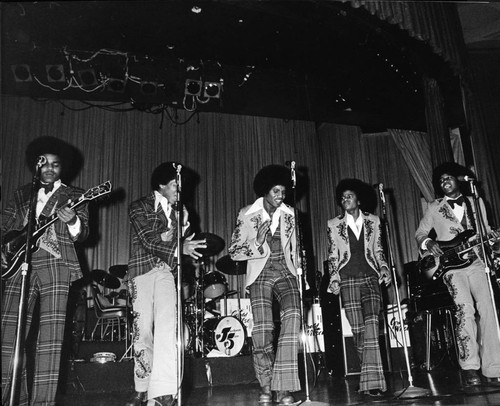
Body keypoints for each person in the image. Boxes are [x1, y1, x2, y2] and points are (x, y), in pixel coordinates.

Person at [1, 136, 89, 406]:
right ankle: (11, 398)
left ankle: (42, 403)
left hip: (56, 263)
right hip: (19, 265)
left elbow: (83, 233)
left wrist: (73, 219)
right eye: (44, 163)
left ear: (63, 168)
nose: (49, 168)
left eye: (56, 164)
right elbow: (5, 228)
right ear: (35, 166)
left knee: (50, 339)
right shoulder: (20, 194)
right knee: (7, 335)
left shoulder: (75, 195)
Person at [125, 162, 207, 406]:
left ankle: (162, 392)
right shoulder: (139, 206)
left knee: (168, 329)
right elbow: (150, 241)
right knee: (143, 333)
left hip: (166, 272)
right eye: (175, 185)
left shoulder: (181, 212)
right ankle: (142, 387)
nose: (179, 190)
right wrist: (178, 245)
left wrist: (182, 236)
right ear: (161, 185)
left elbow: (177, 245)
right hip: (141, 271)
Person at [415, 162, 500, 386]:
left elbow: (486, 230)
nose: (445, 182)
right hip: (451, 268)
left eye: (448, 178)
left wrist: (494, 240)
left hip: (477, 262)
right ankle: (470, 366)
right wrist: (428, 241)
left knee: (489, 310)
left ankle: (493, 367)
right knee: (465, 310)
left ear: (459, 179)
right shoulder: (434, 207)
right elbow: (420, 233)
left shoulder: (475, 201)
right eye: (441, 180)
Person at [228, 164, 301, 405]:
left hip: (286, 272)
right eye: (276, 191)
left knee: (294, 314)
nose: (281, 196)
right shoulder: (247, 213)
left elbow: (296, 249)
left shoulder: (290, 214)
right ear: (264, 192)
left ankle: (284, 386)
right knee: (264, 329)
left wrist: (302, 270)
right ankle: (267, 383)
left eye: (283, 191)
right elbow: (235, 251)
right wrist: (257, 242)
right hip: (260, 273)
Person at [326, 178, 391, 398]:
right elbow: (333, 254)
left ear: (359, 199)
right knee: (359, 331)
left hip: (371, 277)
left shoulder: (374, 221)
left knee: (372, 324)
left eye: (349, 196)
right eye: (342, 197)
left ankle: (371, 382)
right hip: (348, 280)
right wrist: (334, 278)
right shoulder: (333, 224)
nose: (345, 199)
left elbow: (379, 249)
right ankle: (368, 378)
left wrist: (383, 268)